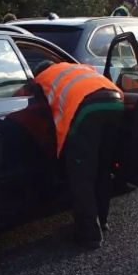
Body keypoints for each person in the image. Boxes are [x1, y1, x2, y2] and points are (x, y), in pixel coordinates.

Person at [34, 60, 124, 249]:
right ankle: (102, 220)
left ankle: (89, 235)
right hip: (115, 100)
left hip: (87, 108)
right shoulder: (75, 66)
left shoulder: (41, 79)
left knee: (81, 175)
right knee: (102, 167)